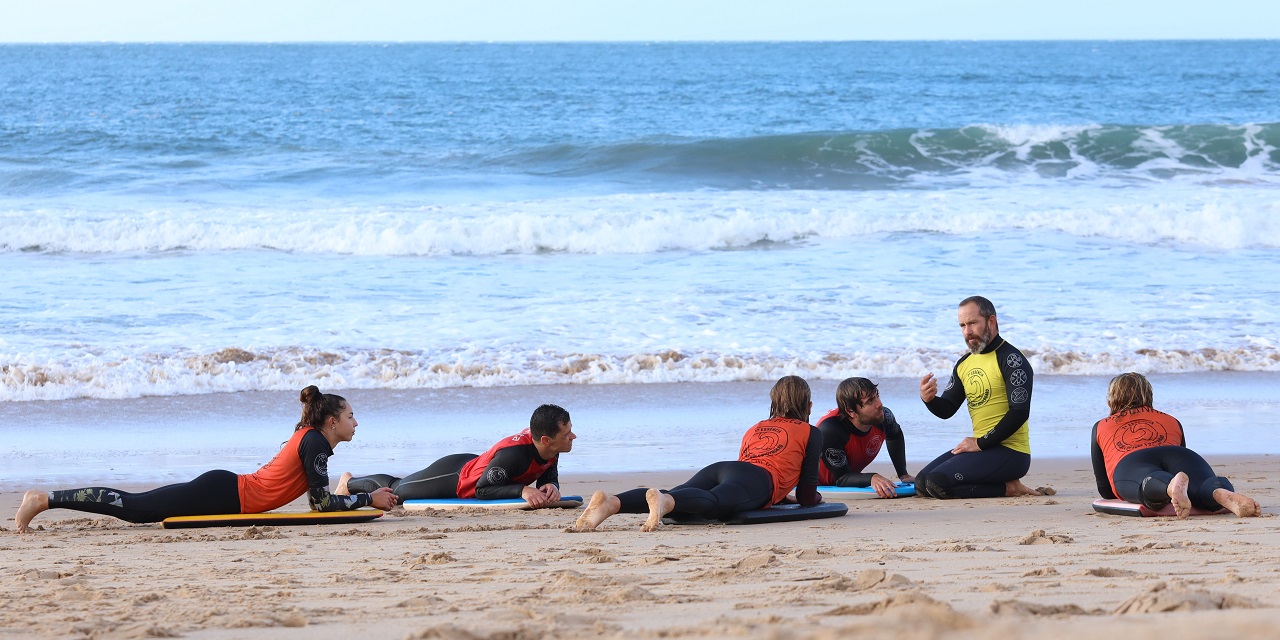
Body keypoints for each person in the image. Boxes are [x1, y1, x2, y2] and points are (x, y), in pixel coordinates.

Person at [14, 386, 397, 533]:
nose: (355, 422)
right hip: (224, 493)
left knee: (139, 506)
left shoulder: (315, 442)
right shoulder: (313, 442)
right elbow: (319, 504)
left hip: (227, 488)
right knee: (134, 508)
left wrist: (345, 489)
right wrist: (367, 498)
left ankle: (45, 499)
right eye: (350, 417)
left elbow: (319, 493)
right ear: (332, 421)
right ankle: (44, 499)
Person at [573, 375, 822, 532]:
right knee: (713, 504)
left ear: (773, 402)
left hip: (723, 469)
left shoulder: (755, 428)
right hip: (758, 479)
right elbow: (807, 495)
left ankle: (612, 502)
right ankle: (664, 503)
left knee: (677, 493)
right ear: (808, 406)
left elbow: (749, 464)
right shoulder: (811, 432)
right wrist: (811, 499)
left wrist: (778, 496)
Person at [917, 296, 1041, 499]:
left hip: (1011, 452)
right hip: (982, 448)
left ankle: (1009, 488)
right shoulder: (965, 363)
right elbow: (947, 408)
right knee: (922, 484)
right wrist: (929, 399)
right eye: (963, 325)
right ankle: (1004, 485)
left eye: (973, 323)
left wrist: (981, 443)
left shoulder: (1012, 360)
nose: (967, 332)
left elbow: (1019, 413)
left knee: (937, 482)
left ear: (991, 321)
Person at [336, 404, 575, 509]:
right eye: (567, 433)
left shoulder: (550, 449)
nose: (573, 436)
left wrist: (550, 486)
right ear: (546, 439)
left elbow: (546, 474)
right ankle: (349, 483)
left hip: (480, 467)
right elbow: (483, 490)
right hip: (454, 476)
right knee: (396, 492)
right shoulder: (515, 455)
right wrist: (522, 490)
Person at [1091, 372, 1259, 518]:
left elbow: (1105, 489)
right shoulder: (1171, 420)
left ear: (1110, 402)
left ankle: (1169, 486)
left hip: (1132, 462)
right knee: (1201, 485)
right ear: (1149, 397)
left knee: (1148, 481)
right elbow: (1183, 471)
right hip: (1179, 454)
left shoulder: (1101, 426)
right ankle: (1219, 492)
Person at [817, 377, 913, 497]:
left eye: (877, 396)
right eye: (870, 401)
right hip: (814, 483)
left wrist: (903, 474)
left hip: (846, 476)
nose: (879, 404)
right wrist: (871, 478)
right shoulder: (830, 430)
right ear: (851, 412)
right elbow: (841, 478)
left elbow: (895, 435)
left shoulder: (883, 417)